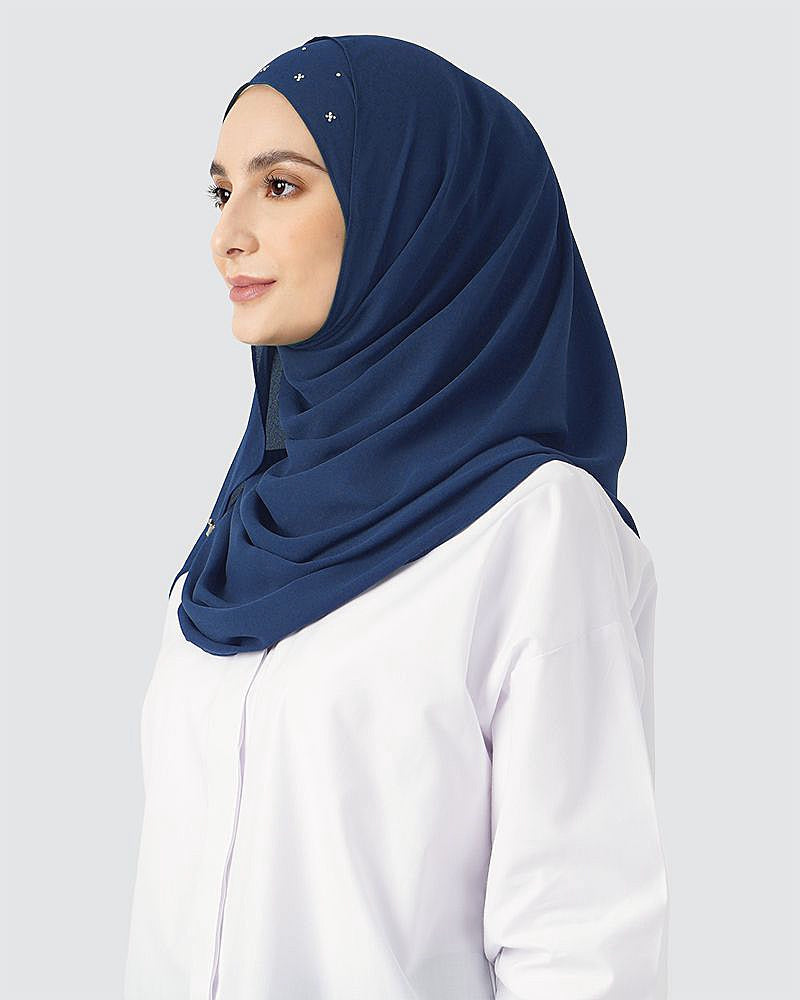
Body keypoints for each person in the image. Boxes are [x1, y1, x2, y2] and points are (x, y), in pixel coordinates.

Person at [124, 33, 669, 1000]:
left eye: (279, 186)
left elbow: (583, 946)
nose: (228, 235)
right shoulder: (248, 521)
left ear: (418, 212)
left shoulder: (537, 528)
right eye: (220, 193)